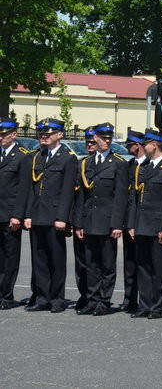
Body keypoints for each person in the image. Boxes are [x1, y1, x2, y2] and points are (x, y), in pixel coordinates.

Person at [73, 123, 128, 316]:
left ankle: (104, 301)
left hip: (107, 221)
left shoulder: (118, 163)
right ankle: (92, 299)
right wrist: (78, 223)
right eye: (103, 138)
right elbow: (81, 197)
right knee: (91, 264)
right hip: (89, 221)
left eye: (109, 138)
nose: (106, 141)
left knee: (107, 265)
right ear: (95, 138)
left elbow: (121, 197)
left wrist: (116, 224)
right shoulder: (86, 163)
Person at [127, 128, 162, 319]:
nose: (142, 147)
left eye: (145, 144)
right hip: (142, 224)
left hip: (158, 226)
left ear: (154, 145)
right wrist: (132, 224)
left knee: (158, 269)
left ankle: (156, 307)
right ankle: (144, 305)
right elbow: (136, 198)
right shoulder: (144, 168)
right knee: (143, 267)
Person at [24, 118, 78, 313]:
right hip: (37, 215)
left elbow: (67, 191)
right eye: (42, 134)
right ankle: (42, 297)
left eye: (48, 134)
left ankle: (57, 299)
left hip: (55, 216)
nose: (44, 137)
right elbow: (32, 188)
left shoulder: (68, 157)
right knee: (39, 259)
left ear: (59, 135)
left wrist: (62, 217)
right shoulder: (37, 157)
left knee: (56, 260)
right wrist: (28, 214)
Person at [0, 117, 32, 309]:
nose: (1, 137)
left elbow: (24, 189)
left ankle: (6, 295)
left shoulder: (23, 156)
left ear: (14, 135)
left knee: (9, 257)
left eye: (4, 134)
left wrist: (18, 215)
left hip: (10, 214)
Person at [122, 130, 146, 313]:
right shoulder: (129, 165)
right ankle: (129, 298)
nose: (128, 148)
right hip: (128, 220)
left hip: (143, 222)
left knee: (143, 264)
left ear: (137, 145)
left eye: (129, 145)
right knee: (129, 263)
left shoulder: (148, 165)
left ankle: (144, 300)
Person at [72, 126, 95, 311]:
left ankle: (95, 297)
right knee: (80, 262)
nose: (89, 145)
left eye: (92, 142)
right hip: (81, 218)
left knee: (95, 263)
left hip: (97, 220)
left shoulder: (107, 163)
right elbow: (76, 196)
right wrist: (76, 222)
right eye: (87, 142)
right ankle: (83, 295)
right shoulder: (81, 163)